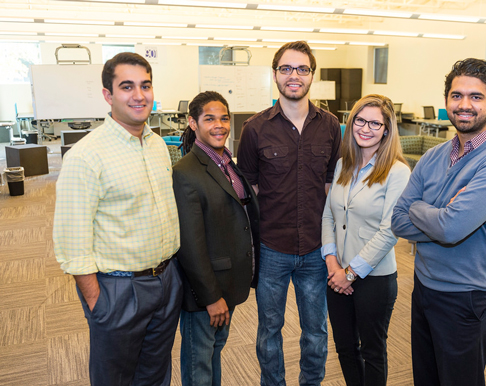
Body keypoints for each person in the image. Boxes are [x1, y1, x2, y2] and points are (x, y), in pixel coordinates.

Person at [391, 58, 486, 386]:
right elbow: (397, 220)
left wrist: (423, 209)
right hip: (424, 287)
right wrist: (441, 213)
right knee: (426, 378)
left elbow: (451, 230)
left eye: (476, 97)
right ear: (447, 100)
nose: (464, 105)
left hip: (466, 297)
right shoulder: (435, 155)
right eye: (456, 95)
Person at [53, 52, 182, 385]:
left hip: (166, 280)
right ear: (108, 96)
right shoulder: (85, 156)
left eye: (145, 85)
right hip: (118, 289)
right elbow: (72, 240)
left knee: (156, 373)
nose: (139, 95)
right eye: (127, 87)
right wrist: (98, 302)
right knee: (116, 378)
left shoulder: (156, 145)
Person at [237, 40, 342, 386]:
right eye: (286, 68)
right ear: (275, 74)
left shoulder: (330, 127)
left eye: (302, 69)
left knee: (316, 330)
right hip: (272, 249)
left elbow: (333, 183)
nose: (293, 75)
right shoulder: (254, 129)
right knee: (269, 330)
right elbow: (248, 189)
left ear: (312, 75)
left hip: (316, 248)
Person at [321, 94, 410, 386]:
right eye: (360, 120)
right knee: (345, 348)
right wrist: (333, 263)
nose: (366, 128)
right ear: (351, 122)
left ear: (387, 129)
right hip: (337, 274)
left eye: (375, 123)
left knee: (372, 351)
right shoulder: (343, 165)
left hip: (374, 278)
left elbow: (390, 231)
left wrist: (350, 273)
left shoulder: (397, 172)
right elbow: (328, 217)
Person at [172, 91, 260, 386]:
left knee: (214, 353)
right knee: (199, 363)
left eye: (223, 118)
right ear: (193, 123)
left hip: (229, 280)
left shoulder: (226, 162)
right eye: (209, 118)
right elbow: (190, 245)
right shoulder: (185, 172)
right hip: (206, 291)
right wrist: (210, 298)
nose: (219, 125)